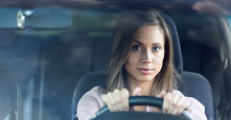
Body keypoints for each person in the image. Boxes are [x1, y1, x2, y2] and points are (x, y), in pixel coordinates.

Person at [76, 12, 207, 120]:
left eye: (156, 48)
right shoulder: (95, 102)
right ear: (122, 52)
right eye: (136, 47)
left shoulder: (187, 108)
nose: (147, 59)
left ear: (165, 54)